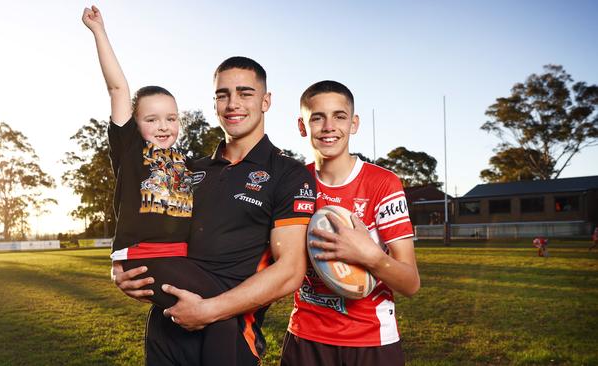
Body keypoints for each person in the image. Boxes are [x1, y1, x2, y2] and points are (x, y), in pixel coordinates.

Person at [112, 55, 316, 364]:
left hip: (228, 337)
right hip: (166, 333)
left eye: (245, 93)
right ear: (215, 102)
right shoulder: (187, 169)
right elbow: (144, 220)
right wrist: (122, 270)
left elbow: (289, 272)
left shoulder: (287, 173)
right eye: (223, 95)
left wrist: (210, 310)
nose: (233, 103)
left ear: (266, 101)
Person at [82, 6, 242, 365]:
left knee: (215, 316)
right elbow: (118, 87)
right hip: (146, 258)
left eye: (171, 118)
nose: (163, 125)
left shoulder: (186, 163)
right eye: (151, 119)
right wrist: (99, 31)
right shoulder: (131, 152)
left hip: (177, 260)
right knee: (223, 312)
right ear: (134, 124)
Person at [281, 80, 420, 366]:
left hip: (370, 340)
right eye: (317, 117)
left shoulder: (383, 183)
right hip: (305, 336)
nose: (329, 126)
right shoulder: (293, 182)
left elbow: (411, 283)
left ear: (354, 123)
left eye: (339, 116)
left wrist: (370, 256)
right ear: (302, 126)